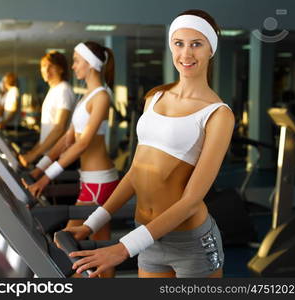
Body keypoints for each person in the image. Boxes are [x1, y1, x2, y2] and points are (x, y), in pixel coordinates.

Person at [61, 9, 235, 278]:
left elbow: (191, 200)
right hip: (147, 235)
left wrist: (123, 248)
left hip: (191, 243)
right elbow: (134, 173)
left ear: (210, 49)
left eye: (196, 44)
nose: (186, 54)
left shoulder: (218, 114)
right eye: (179, 43)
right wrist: (91, 223)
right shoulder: (154, 98)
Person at [25, 41, 119, 277]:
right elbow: (65, 141)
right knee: (100, 250)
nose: (74, 66)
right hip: (89, 180)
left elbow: (83, 143)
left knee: (66, 243)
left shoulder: (102, 97)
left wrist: (46, 180)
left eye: (77, 60)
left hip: (100, 182)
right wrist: (38, 171)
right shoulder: (84, 98)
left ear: (90, 64)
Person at [18, 51, 75, 167]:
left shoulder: (64, 90)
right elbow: (48, 132)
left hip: (59, 157)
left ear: (61, 69)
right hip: (50, 155)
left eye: (51, 66)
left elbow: (59, 128)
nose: (46, 70)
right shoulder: (53, 90)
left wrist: (34, 155)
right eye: (43, 66)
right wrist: (33, 152)